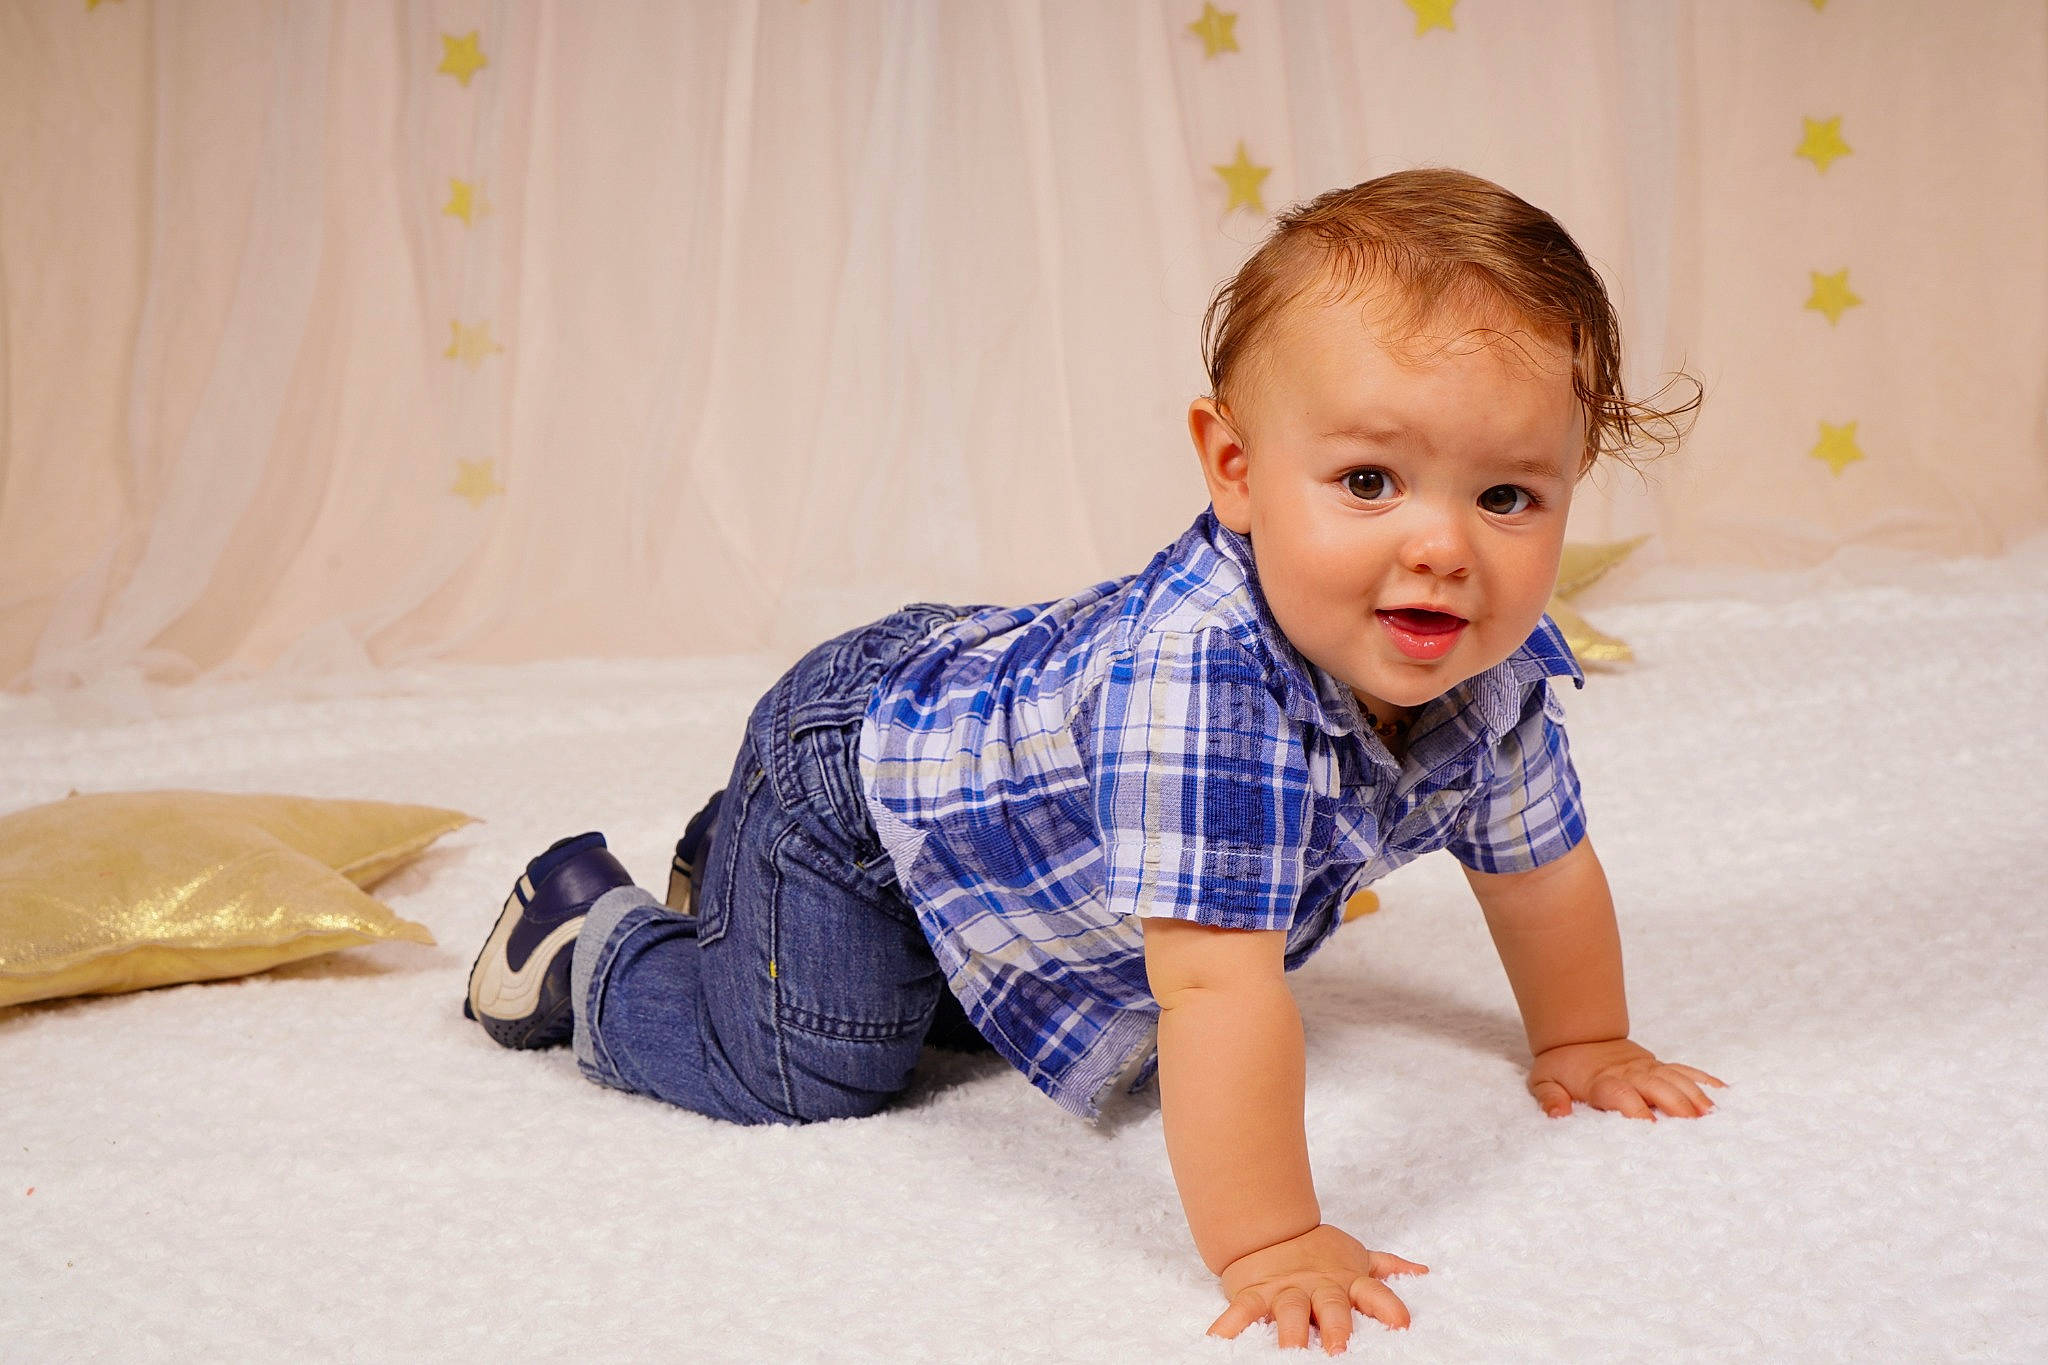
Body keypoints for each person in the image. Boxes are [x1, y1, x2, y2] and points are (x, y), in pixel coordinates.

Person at [464, 167, 1720, 1354]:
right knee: (816, 1069)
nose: (1443, 549)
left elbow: (1539, 870)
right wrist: (1271, 1240)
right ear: (1236, 470)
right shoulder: (1205, 682)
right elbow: (1214, 993)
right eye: (1367, 480)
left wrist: (1585, 1042)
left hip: (992, 815)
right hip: (857, 789)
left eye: (1506, 498)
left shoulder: (1481, 660)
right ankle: (586, 937)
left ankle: (732, 872)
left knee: (971, 1017)